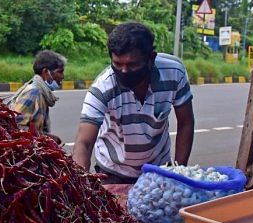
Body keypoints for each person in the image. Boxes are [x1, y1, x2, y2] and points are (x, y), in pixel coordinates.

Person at [72, 22, 195, 184]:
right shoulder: (103, 87)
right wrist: (80, 189)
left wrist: (179, 173)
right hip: (113, 172)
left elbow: (186, 122)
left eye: (132, 65)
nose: (124, 71)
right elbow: (84, 143)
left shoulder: (174, 72)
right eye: (117, 64)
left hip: (158, 169)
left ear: (151, 58)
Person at [8, 50, 66, 143]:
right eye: (60, 72)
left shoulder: (42, 93)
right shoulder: (33, 93)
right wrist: (46, 138)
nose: (63, 76)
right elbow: (15, 127)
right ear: (46, 72)